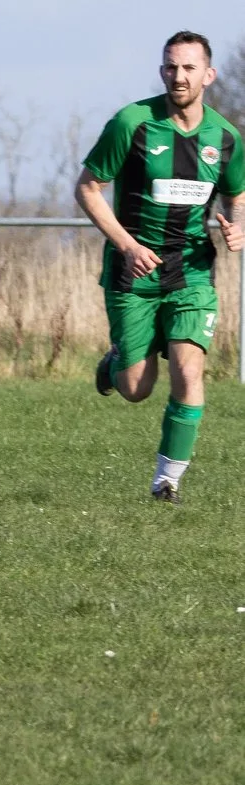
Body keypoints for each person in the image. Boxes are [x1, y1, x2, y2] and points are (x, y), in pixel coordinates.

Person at [78, 31, 245, 502]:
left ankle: (166, 480)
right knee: (136, 388)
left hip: (192, 272)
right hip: (134, 272)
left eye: (189, 68)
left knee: (189, 375)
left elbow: (238, 195)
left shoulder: (226, 138)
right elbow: (88, 188)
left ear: (208, 75)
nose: (179, 76)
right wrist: (128, 246)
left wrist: (238, 227)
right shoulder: (132, 123)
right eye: (171, 66)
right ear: (161, 71)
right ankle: (115, 365)